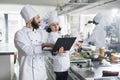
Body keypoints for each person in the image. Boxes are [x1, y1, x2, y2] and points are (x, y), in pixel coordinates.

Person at [43, 11, 80, 80]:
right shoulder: (51, 37)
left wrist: (73, 49)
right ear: (49, 27)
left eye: (57, 24)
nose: (56, 26)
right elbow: (50, 52)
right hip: (60, 66)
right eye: (53, 25)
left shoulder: (57, 35)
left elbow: (65, 47)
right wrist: (57, 52)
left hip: (64, 66)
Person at [14, 5, 48, 80]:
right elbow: (28, 51)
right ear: (30, 20)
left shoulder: (40, 33)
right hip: (28, 75)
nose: (39, 20)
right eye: (37, 17)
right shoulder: (19, 34)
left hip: (41, 74)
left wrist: (54, 51)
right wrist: (44, 45)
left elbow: (44, 52)